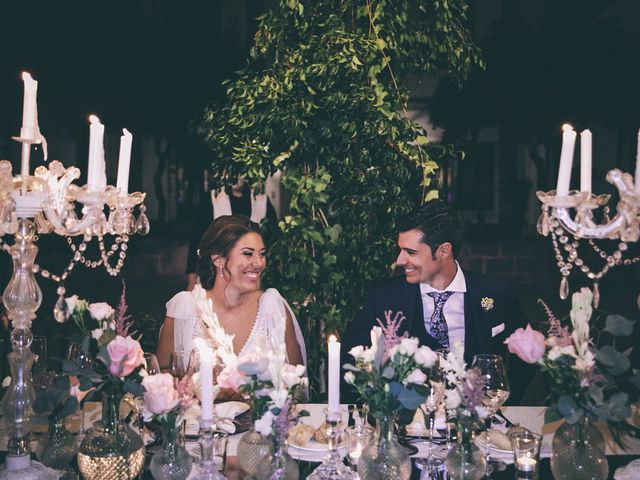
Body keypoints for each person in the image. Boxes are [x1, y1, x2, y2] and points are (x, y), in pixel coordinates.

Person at [341, 200, 531, 403]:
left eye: (411, 252)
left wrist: (503, 403)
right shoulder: (383, 298)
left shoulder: (497, 293)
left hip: (476, 423)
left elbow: (529, 354)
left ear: (443, 251)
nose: (399, 260)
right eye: (401, 250)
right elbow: (351, 361)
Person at [157, 215, 306, 371]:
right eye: (248, 253)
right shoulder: (185, 307)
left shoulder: (272, 307)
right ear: (218, 259)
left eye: (262, 254)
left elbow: (297, 384)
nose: (259, 263)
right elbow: (163, 376)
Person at [185, 178, 277, 291]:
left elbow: (274, 241)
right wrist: (191, 279)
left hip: (252, 278)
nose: (236, 177)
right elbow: (196, 240)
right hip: (216, 275)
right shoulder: (212, 198)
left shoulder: (262, 200)